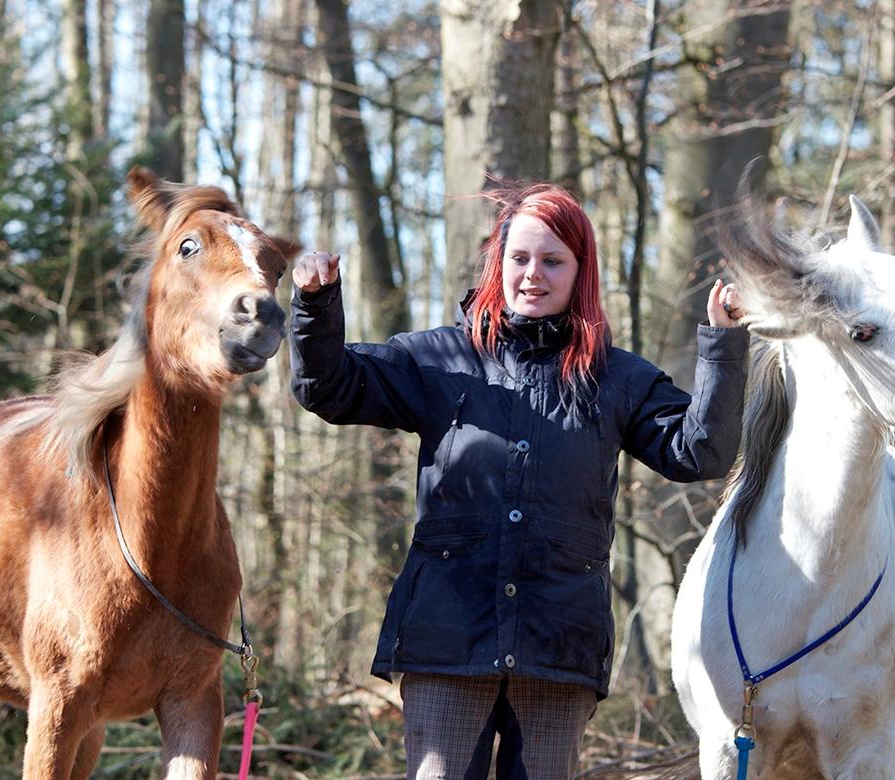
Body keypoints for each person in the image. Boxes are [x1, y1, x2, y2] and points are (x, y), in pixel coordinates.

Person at [289, 183, 748, 779]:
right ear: (497, 266)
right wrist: (316, 305)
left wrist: (723, 344)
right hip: (445, 644)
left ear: (580, 273)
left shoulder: (618, 379)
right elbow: (330, 387)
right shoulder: (438, 361)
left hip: (558, 653)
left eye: (553, 261)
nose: (533, 274)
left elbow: (702, 452)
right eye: (520, 259)